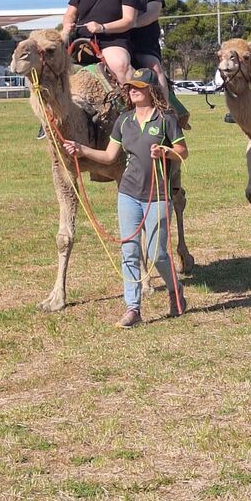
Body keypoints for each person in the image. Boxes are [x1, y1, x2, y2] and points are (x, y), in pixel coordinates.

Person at [62, 68, 188, 328]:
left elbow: (182, 152)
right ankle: (133, 308)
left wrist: (165, 151)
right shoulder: (124, 120)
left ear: (151, 91)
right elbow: (109, 156)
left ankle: (176, 293)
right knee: (129, 251)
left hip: (157, 194)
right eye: (130, 87)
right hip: (128, 194)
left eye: (138, 87)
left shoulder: (166, 120)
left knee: (158, 255)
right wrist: (82, 149)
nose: (132, 90)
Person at [109, 0, 170, 100]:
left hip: (143, 44)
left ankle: (165, 113)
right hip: (115, 42)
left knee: (154, 68)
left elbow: (153, 13)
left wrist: (128, 24)